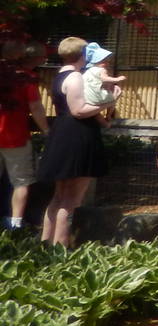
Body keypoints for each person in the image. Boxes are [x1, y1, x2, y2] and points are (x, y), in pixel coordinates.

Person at [35, 37, 110, 246]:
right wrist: (109, 102)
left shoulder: (59, 75)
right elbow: (78, 111)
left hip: (62, 133)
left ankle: (46, 243)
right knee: (71, 198)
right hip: (77, 136)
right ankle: (61, 247)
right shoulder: (76, 77)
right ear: (84, 55)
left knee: (59, 195)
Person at [0, 41, 49, 230]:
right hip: (15, 136)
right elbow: (35, 106)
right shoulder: (25, 78)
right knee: (21, 181)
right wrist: (46, 129)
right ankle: (16, 223)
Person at [80, 42, 125, 117]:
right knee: (117, 89)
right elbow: (105, 79)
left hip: (87, 98)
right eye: (104, 61)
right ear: (96, 61)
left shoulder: (87, 71)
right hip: (97, 97)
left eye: (108, 61)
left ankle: (106, 118)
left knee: (107, 88)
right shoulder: (101, 70)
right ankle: (109, 114)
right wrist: (117, 79)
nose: (107, 63)